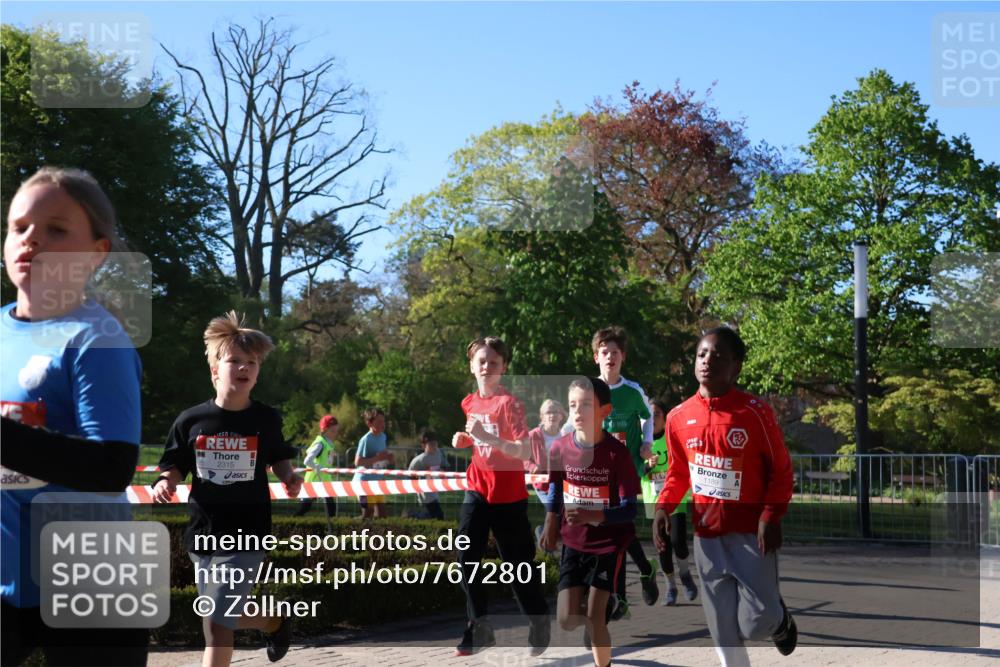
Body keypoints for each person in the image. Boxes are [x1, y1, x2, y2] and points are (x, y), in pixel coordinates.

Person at [1, 167, 148, 666]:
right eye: (18, 226)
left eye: (56, 230)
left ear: (96, 253)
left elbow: (111, 467)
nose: (31, 239)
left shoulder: (97, 338)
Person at [153, 311, 303, 667]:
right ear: (214, 370)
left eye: (251, 362)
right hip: (203, 532)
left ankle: (272, 620)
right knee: (216, 621)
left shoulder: (266, 419)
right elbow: (173, 463)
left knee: (220, 613)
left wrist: (289, 477)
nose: (243, 367)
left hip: (248, 531)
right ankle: (273, 619)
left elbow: (279, 456)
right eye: (234, 360)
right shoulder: (191, 420)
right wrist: (165, 482)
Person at [653, 327, 797, 667]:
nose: (707, 361)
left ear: (736, 367)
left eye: (718, 356)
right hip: (707, 537)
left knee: (754, 624)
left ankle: (780, 621)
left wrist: (770, 516)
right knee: (723, 632)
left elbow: (781, 470)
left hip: (751, 535)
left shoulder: (754, 411)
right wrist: (663, 508)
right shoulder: (677, 417)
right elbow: (678, 474)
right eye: (702, 354)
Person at [451, 336, 550, 657]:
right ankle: (478, 626)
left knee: (518, 568)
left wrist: (485, 438)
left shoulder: (511, 404)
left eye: (493, 363)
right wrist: (467, 439)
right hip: (477, 489)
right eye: (481, 361)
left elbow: (523, 449)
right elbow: (480, 441)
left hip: (508, 497)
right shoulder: (469, 402)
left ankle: (538, 621)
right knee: (466, 558)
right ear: (471, 366)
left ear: (503, 368)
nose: (486, 367)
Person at [540, 377, 639, 667]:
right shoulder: (560, 448)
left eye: (586, 404)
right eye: (573, 405)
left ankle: (603, 646)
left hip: (608, 544)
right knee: (567, 619)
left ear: (605, 411)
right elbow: (556, 486)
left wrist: (593, 515)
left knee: (596, 618)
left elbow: (629, 509)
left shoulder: (616, 454)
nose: (578, 412)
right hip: (574, 542)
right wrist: (551, 520)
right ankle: (605, 604)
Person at [585, 327, 659, 611]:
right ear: (596, 357)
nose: (610, 357)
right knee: (616, 529)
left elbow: (647, 417)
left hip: (628, 468)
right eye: (604, 352)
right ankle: (641, 572)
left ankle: (620, 597)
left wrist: (648, 443)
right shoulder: (589, 389)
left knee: (615, 528)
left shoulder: (632, 391)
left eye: (615, 353)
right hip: (600, 471)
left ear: (623, 357)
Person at [641, 398, 696, 606]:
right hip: (653, 502)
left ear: (665, 418)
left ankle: (685, 575)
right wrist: (646, 466)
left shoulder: (671, 437)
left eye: (656, 414)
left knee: (678, 542)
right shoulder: (642, 442)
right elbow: (636, 470)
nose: (652, 419)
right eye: (649, 414)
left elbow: (682, 464)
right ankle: (670, 586)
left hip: (675, 499)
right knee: (662, 548)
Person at [527, 399, 567, 556]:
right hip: (543, 484)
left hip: (563, 483)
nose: (552, 415)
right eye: (548, 412)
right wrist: (532, 467)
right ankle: (547, 547)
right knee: (555, 511)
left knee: (561, 514)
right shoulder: (534, 435)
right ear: (542, 416)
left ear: (561, 416)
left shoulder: (566, 434)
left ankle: (543, 533)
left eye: (555, 412)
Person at [294, 414, 339, 519]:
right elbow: (307, 460)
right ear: (325, 430)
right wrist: (317, 467)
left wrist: (330, 466)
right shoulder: (320, 443)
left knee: (331, 508)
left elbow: (326, 462)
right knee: (305, 507)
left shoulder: (329, 444)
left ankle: (331, 531)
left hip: (324, 481)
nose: (335, 434)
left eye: (336, 431)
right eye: (333, 431)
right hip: (314, 481)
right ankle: (291, 524)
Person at [353, 407, 393, 519]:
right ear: (369, 423)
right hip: (364, 481)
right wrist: (377, 458)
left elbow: (381, 456)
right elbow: (357, 462)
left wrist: (389, 458)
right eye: (379, 421)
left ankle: (379, 536)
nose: (382, 424)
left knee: (382, 515)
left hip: (377, 482)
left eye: (383, 421)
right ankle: (352, 533)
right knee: (368, 514)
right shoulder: (365, 439)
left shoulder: (383, 437)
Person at [408, 429, 445, 520]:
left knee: (431, 514)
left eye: (435, 443)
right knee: (438, 514)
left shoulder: (438, 453)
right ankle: (413, 516)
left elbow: (441, 467)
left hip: (435, 489)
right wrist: (417, 484)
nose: (434, 446)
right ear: (423, 445)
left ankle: (413, 516)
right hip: (426, 492)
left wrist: (441, 471)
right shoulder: (420, 459)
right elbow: (410, 472)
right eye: (431, 444)